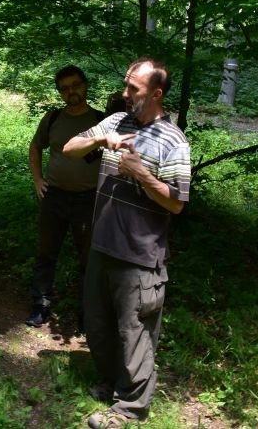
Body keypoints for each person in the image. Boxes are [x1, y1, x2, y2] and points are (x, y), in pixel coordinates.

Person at [63, 57, 191, 428]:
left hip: (138, 256)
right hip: (102, 245)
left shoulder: (174, 140)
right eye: (126, 84)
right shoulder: (117, 121)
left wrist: (143, 175)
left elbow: (177, 203)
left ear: (156, 93)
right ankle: (110, 381)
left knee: (134, 334)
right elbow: (69, 147)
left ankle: (131, 408)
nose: (124, 93)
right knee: (98, 324)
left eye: (133, 88)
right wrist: (100, 139)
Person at [25, 65, 104, 329]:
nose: (72, 91)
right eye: (65, 88)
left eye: (76, 85)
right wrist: (38, 180)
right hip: (55, 197)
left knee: (89, 259)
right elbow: (36, 146)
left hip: (89, 199)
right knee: (46, 253)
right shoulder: (53, 118)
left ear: (85, 85)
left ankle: (87, 312)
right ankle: (40, 305)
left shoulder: (101, 120)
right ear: (60, 92)